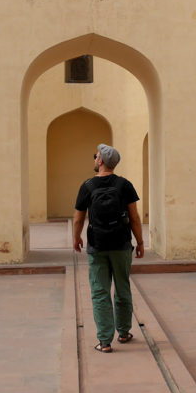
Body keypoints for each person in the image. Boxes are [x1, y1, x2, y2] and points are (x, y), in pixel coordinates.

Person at [73, 143, 145, 353]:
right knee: (123, 288)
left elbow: (78, 219)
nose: (94, 158)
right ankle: (123, 332)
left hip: (97, 245)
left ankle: (104, 341)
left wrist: (76, 238)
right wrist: (140, 242)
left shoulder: (87, 186)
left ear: (101, 161)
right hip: (121, 244)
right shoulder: (125, 185)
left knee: (99, 291)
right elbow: (134, 217)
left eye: (96, 156)